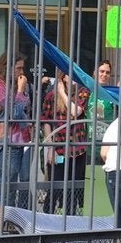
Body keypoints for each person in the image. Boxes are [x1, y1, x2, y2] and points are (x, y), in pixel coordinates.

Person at [0, 53, 32, 234]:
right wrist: (21, 92)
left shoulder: (16, 85)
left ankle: (10, 232)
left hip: (20, 141)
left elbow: (26, 110)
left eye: (23, 68)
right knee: (4, 187)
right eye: (18, 68)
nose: (22, 73)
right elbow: (12, 114)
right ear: (7, 67)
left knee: (15, 187)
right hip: (5, 142)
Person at [42, 71, 90, 214]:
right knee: (55, 187)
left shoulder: (83, 92)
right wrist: (50, 147)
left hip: (78, 150)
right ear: (63, 77)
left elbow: (76, 111)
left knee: (73, 189)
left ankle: (70, 221)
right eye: (70, 74)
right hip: (59, 148)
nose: (73, 77)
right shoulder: (51, 96)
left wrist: (62, 93)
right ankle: (47, 217)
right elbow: (46, 122)